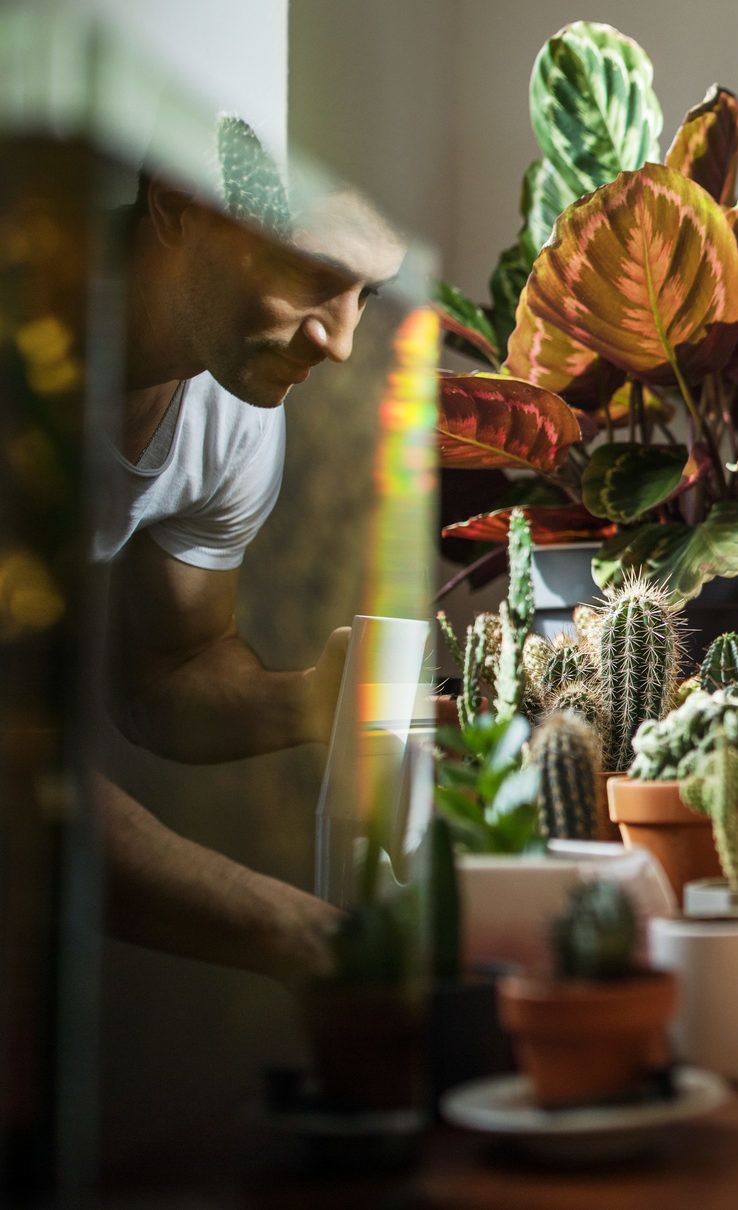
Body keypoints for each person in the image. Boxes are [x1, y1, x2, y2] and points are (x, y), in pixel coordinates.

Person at [92, 161, 404, 984]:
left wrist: (309, 701)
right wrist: (306, 939)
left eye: (366, 296)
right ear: (176, 204)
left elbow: (166, 673)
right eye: (315, 278)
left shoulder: (231, 412)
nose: (339, 344)